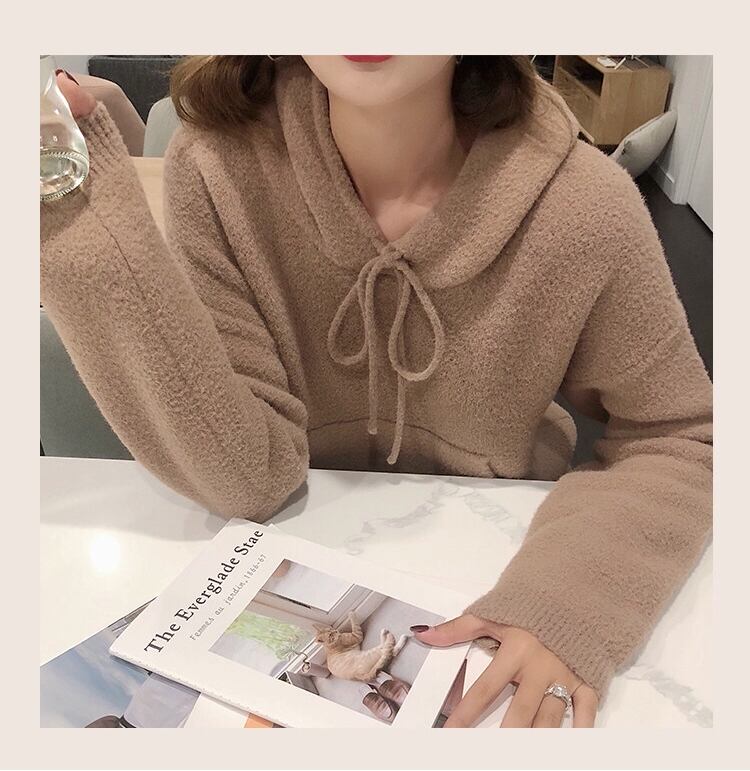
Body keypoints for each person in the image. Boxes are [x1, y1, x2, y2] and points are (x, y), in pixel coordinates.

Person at [41, 55, 712, 728]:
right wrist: (68, 209)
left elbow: (682, 434)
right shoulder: (216, 168)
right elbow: (248, 477)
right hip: (276, 558)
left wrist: (568, 600)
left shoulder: (582, 204)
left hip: (501, 570)